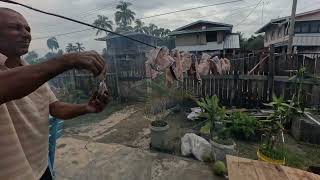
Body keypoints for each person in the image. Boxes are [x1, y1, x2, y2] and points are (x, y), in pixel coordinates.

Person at [0, 8, 110, 180]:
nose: (26, 34)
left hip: (41, 167)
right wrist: (68, 60)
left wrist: (87, 108)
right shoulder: (33, 74)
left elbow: (54, 107)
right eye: (15, 28)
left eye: (28, 29)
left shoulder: (31, 71)